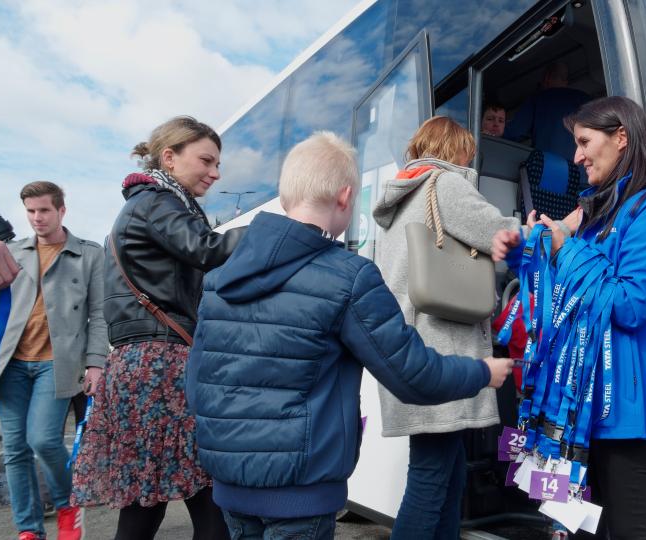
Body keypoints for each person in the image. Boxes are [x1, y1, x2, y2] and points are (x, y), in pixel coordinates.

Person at [185, 131, 514, 540]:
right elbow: (413, 376)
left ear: (287, 196)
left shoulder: (218, 281)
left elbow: (196, 388)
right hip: (301, 493)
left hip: (230, 491)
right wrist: (481, 372)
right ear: (344, 197)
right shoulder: (348, 277)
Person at [493, 96, 646, 540]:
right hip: (573, 412)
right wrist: (530, 252)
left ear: (621, 138)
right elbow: (563, 294)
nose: (577, 156)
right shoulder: (593, 216)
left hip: (626, 416)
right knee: (570, 532)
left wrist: (567, 248)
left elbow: (631, 304)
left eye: (585, 142)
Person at [70, 116, 243, 540]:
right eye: (206, 160)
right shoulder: (156, 202)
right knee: (205, 496)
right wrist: (278, 229)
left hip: (141, 364)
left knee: (145, 501)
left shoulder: (151, 203)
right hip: (162, 364)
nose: (215, 173)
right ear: (169, 156)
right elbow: (205, 249)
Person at [370, 116, 521, 539]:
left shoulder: (400, 199)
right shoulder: (444, 183)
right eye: (467, 153)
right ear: (456, 150)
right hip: (438, 348)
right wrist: (559, 230)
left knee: (448, 470)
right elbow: (501, 234)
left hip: (410, 344)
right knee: (431, 476)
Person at [0, 181, 107, 540]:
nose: (37, 218)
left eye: (44, 210)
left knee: (44, 440)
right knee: (16, 451)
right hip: (11, 364)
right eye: (31, 211)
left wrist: (96, 362)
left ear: (61, 210)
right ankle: (29, 529)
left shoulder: (90, 254)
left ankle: (68, 505)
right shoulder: (9, 251)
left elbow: (100, 313)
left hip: (57, 364)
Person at [504, 62, 591, 160]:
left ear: (547, 78)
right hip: (583, 171)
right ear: (565, 81)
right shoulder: (587, 101)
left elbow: (515, 131)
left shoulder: (538, 99)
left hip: (549, 169)